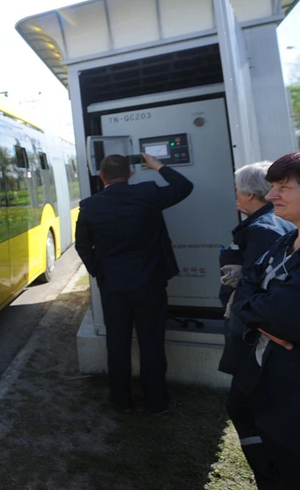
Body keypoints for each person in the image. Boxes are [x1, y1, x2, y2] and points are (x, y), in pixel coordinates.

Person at [231, 151, 300, 488]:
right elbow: (246, 290)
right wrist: (257, 310)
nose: (270, 196)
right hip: (268, 379)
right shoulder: (289, 239)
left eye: (283, 187)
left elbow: (284, 316)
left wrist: (253, 309)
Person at [75, 153, 193, 415]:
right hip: (150, 283)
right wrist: (157, 165)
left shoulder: (90, 206)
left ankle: (121, 399)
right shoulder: (148, 193)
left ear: (101, 176)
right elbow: (184, 186)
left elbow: (82, 246)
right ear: (130, 173)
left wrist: (100, 273)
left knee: (117, 342)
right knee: (152, 342)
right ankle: (156, 402)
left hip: (113, 286)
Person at [217, 161, 293, 490]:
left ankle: (270, 475)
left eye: (237, 189)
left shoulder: (262, 229)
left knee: (243, 404)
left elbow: (262, 286)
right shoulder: (271, 222)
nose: (235, 195)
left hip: (256, 335)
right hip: (261, 332)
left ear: (249, 194)